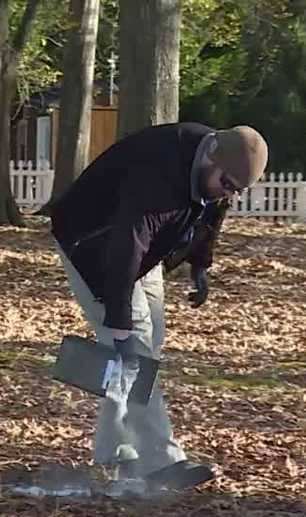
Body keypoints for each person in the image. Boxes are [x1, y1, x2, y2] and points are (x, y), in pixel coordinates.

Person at [44, 122, 269, 489]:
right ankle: (160, 461)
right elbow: (126, 245)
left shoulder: (215, 170)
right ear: (211, 156)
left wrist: (200, 265)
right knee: (134, 351)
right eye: (227, 184)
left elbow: (213, 212)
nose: (227, 194)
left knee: (147, 346)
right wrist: (118, 319)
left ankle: (113, 450)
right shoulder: (157, 176)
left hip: (145, 247)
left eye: (236, 190)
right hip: (95, 243)